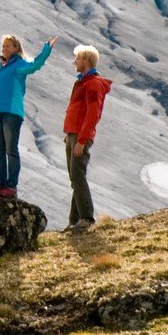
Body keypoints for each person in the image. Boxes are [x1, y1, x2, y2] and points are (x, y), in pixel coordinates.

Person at [0, 34, 53, 196]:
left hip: (12, 114)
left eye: (8, 46)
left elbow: (35, 64)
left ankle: (11, 187)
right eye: (3, 46)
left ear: (16, 48)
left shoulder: (19, 65)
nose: (4, 48)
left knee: (10, 150)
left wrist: (47, 49)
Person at [63, 45, 111, 230]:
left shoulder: (92, 84)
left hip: (80, 136)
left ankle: (86, 219)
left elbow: (93, 113)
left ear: (86, 60)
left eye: (78, 58)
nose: (75, 61)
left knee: (77, 175)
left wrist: (82, 139)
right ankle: (74, 221)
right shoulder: (83, 82)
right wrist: (70, 134)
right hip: (74, 134)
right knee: (75, 177)